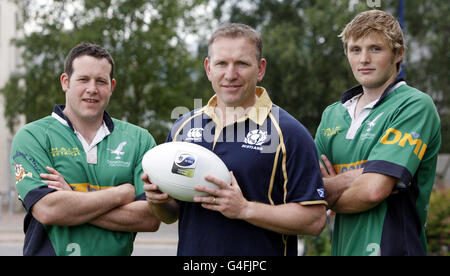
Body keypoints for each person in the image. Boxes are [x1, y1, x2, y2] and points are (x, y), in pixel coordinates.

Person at [143, 23, 327, 256]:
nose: (230, 74)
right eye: (222, 63)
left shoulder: (289, 133)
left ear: (260, 69)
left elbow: (314, 220)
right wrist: (157, 201)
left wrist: (245, 209)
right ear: (209, 68)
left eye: (241, 63)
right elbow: (172, 215)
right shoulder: (183, 128)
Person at [10, 42, 160, 256]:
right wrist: (121, 193)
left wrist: (71, 198)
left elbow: (150, 218)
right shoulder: (33, 136)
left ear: (112, 86)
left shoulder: (139, 139)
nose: (92, 89)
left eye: (101, 81)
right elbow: (49, 210)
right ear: (65, 82)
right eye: (83, 79)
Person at [315, 10, 441, 256]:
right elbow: (308, 193)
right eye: (355, 50)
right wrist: (358, 176)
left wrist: (330, 191)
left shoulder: (414, 105)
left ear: (398, 53)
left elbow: (373, 190)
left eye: (375, 49)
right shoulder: (332, 115)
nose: (364, 59)